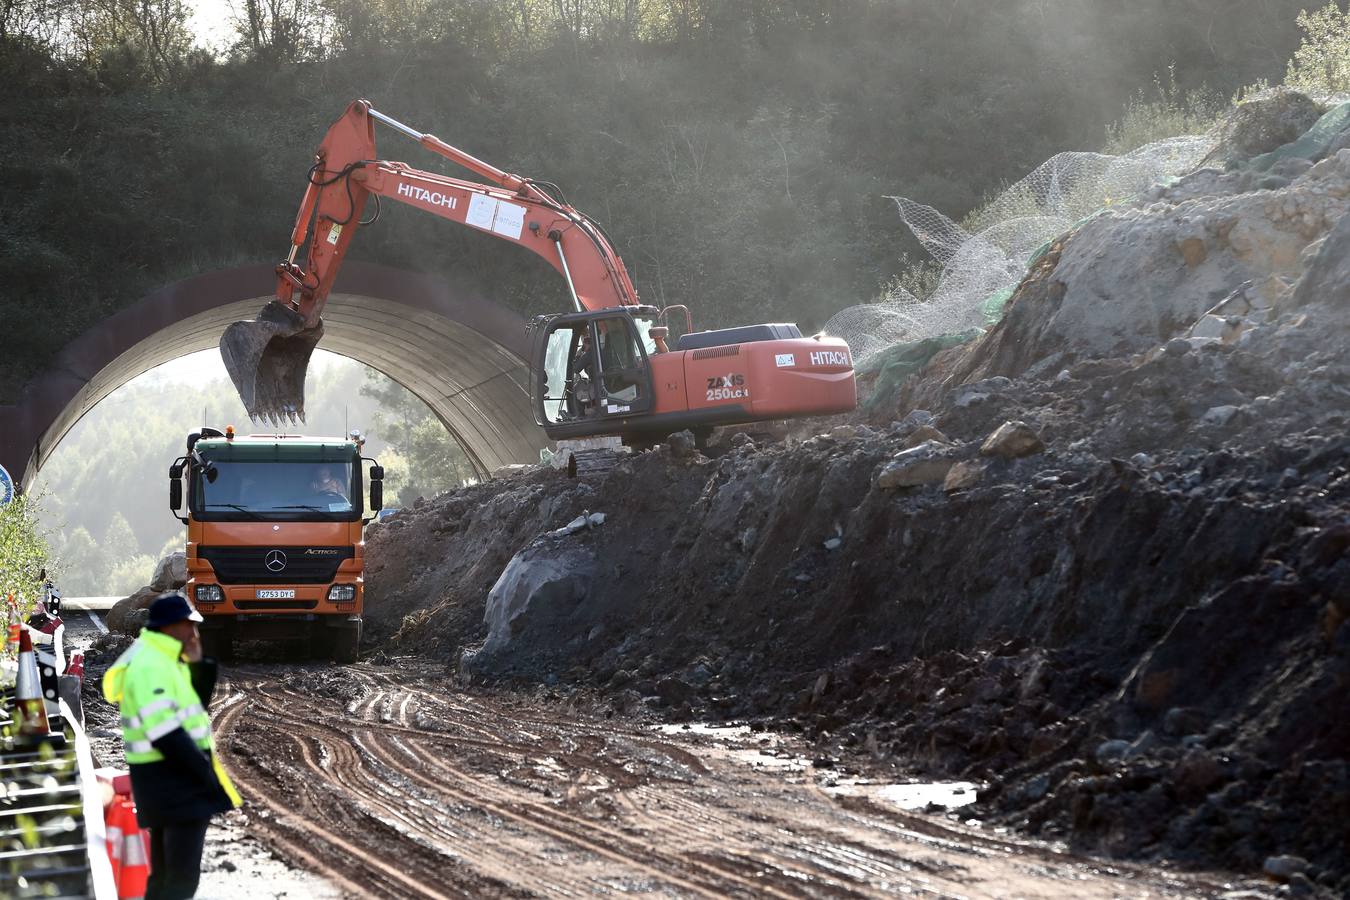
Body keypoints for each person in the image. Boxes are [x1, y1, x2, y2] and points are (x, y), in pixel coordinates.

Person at [102, 594, 241, 899]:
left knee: (166, 877)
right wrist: (205, 777)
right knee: (180, 880)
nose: (195, 633)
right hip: (174, 782)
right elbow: (166, 733)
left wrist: (196, 662)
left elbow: (194, 708)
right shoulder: (151, 665)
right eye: (191, 625)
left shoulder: (161, 658)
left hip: (166, 782)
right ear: (172, 626)